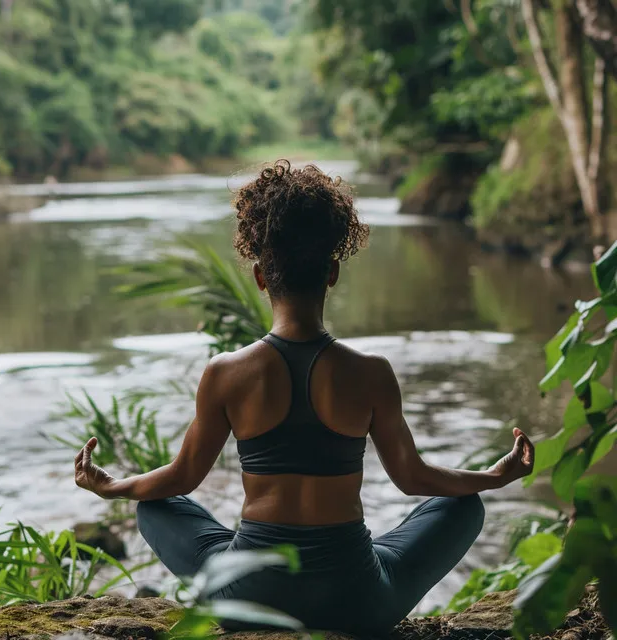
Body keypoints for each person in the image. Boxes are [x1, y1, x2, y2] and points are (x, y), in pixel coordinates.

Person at [74, 160, 535, 635]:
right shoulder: (372, 372)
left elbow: (181, 478)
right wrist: (495, 476)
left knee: (154, 504)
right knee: (464, 504)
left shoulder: (225, 373)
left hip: (248, 600)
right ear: (332, 272)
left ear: (259, 276)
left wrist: (111, 486)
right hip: (357, 602)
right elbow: (414, 478)